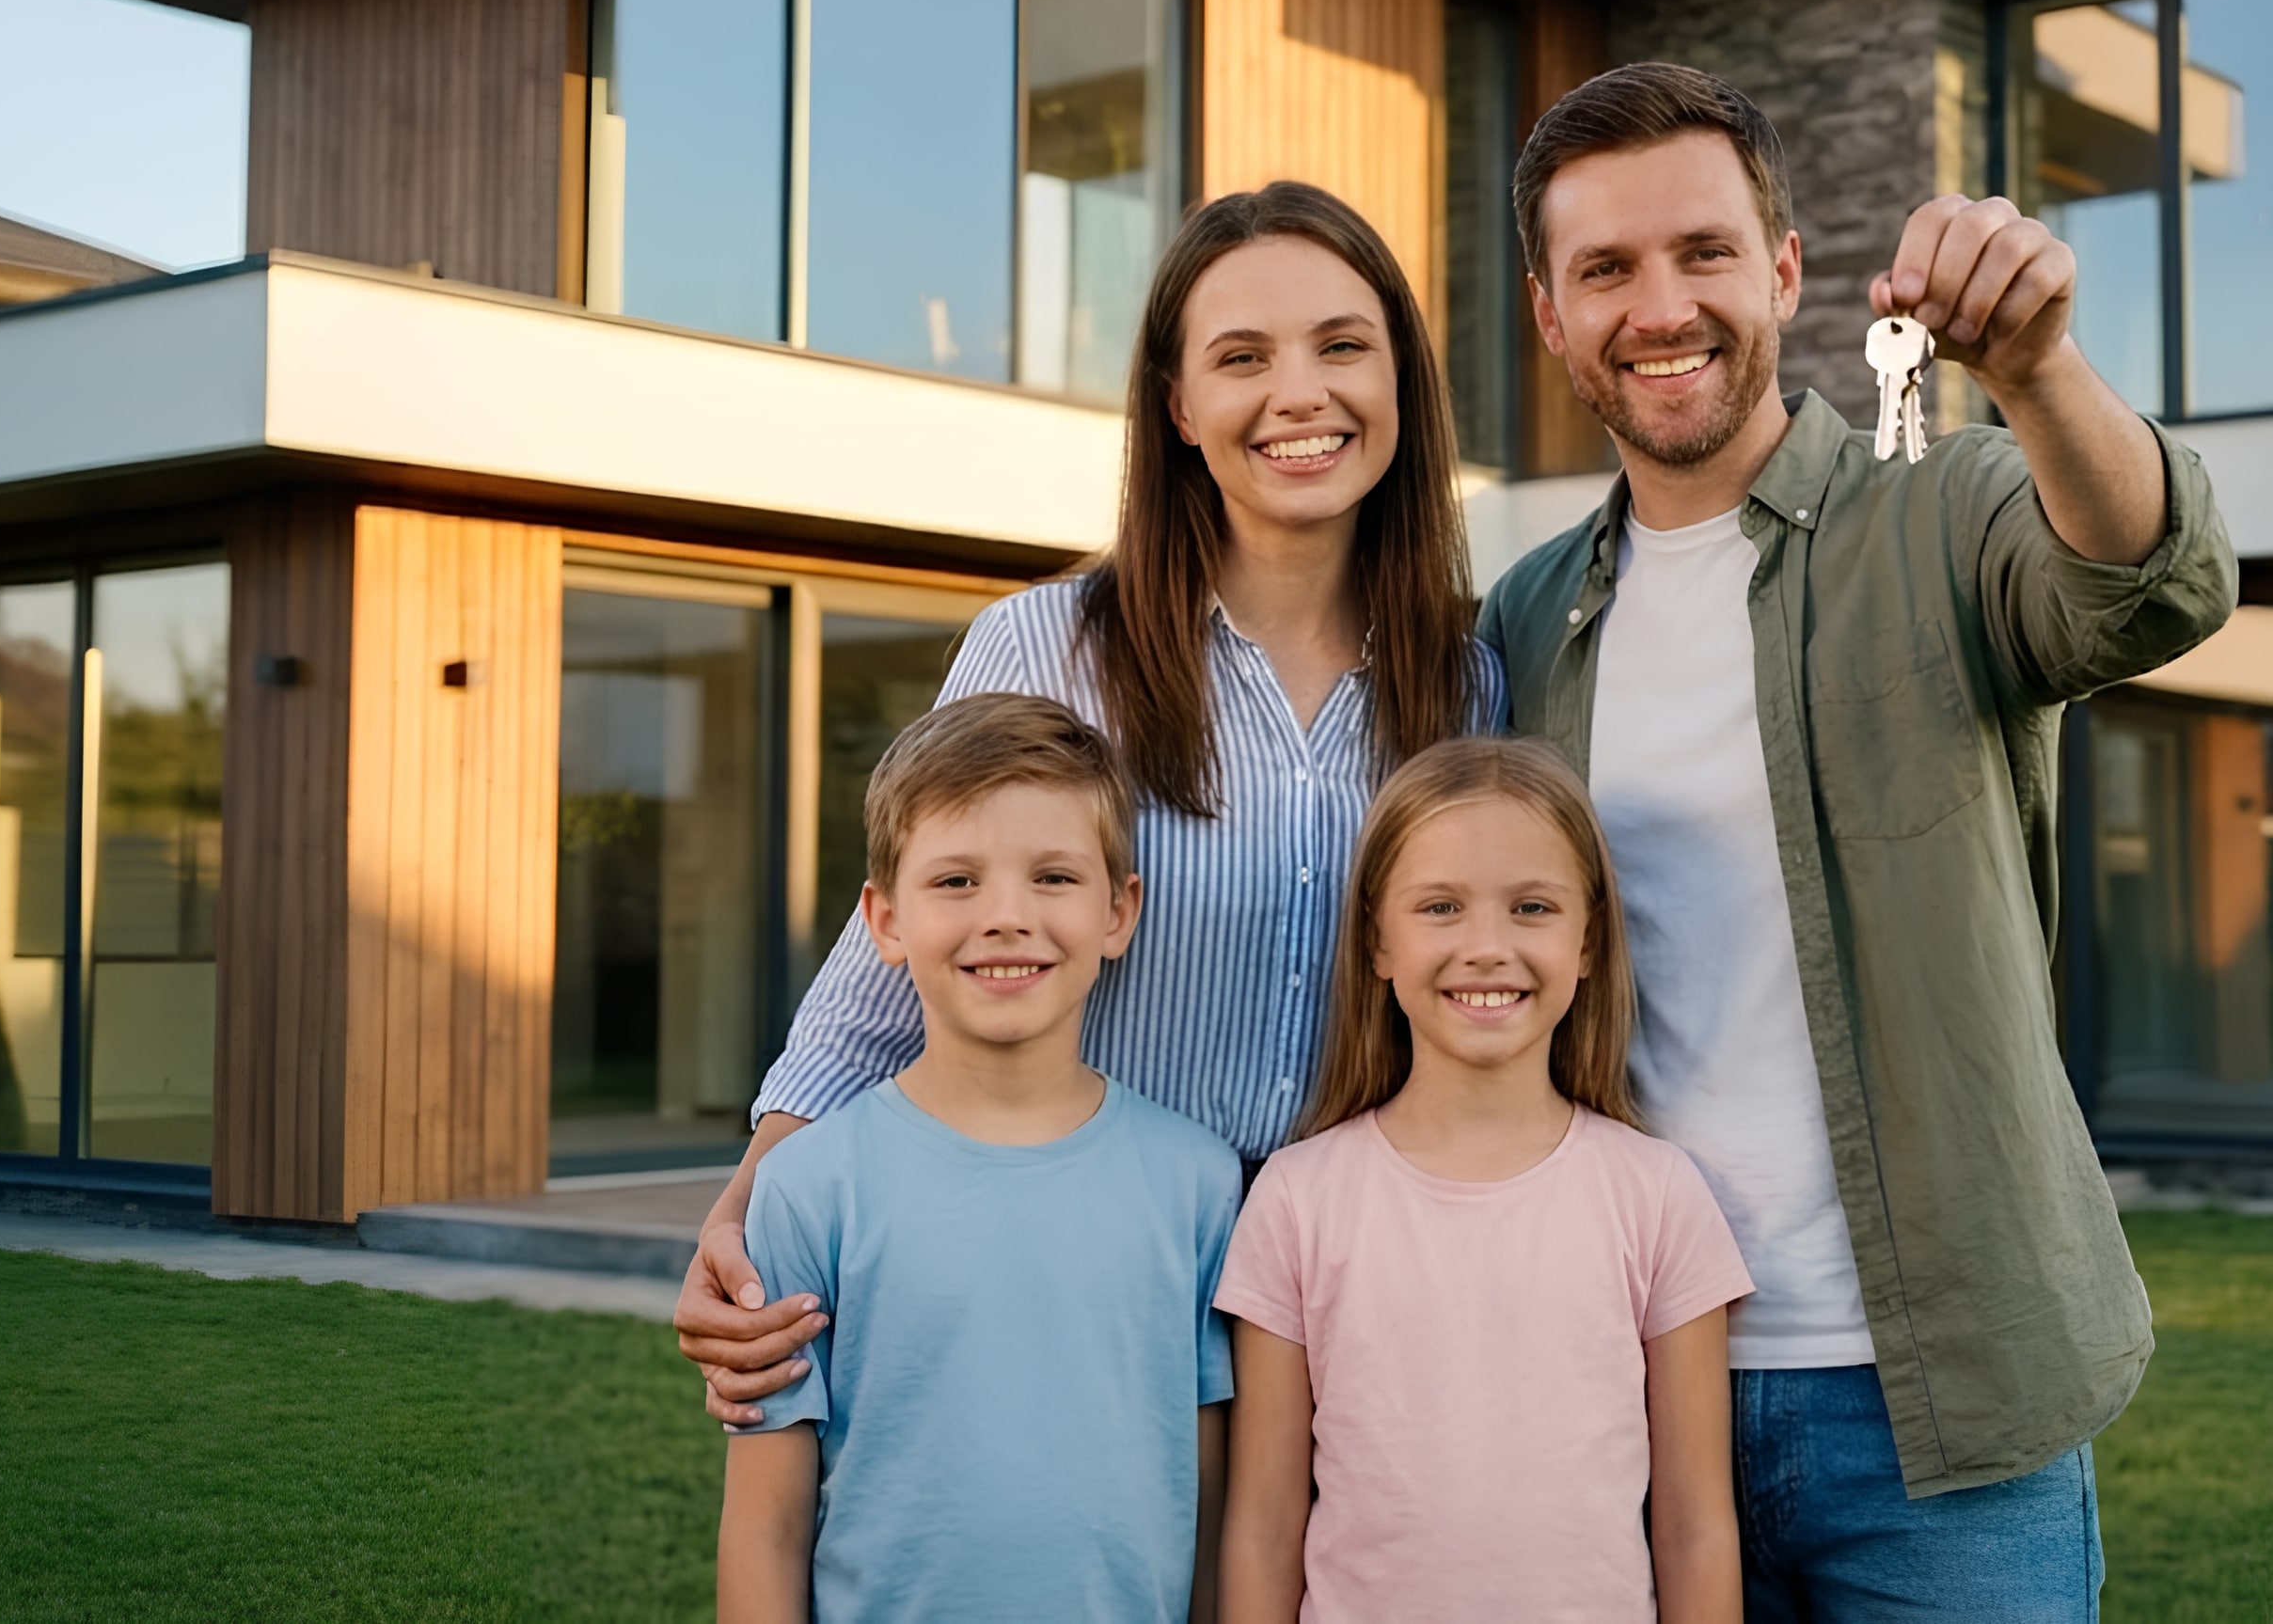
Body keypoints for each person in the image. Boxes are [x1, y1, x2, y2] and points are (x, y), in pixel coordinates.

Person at [1478, 62, 2237, 1618]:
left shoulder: (1945, 511)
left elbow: (2152, 583)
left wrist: (2035, 369)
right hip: (1636, 1387)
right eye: (1605, 269)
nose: (1659, 306)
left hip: (1941, 1411)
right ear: (1550, 317)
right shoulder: (1527, 616)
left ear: (1781, 270)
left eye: (1701, 251)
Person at [678, 182, 1498, 1420]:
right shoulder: (1044, 647)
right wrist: (750, 1206)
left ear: (1401, 382)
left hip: (1364, 1290)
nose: (1299, 393)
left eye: (1341, 346)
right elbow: (889, 967)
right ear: (1178, 406)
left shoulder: (1470, 686)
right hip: (1082, 1271)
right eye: (1242, 357)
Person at [715, 692, 1241, 1624]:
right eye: (957, 881)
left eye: (1053, 877)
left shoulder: (1198, 1184)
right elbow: (765, 1530)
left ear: (1119, 912)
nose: (1005, 916)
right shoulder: (807, 1188)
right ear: (884, 920)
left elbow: (1207, 1510)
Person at [1214, 737, 1752, 1624]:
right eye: (1441, 907)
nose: (1488, 947)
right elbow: (1264, 1531)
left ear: (1588, 940)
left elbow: (1696, 1528)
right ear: (1378, 940)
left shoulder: (1658, 1197)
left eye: (1532, 907)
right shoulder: (1296, 1200)